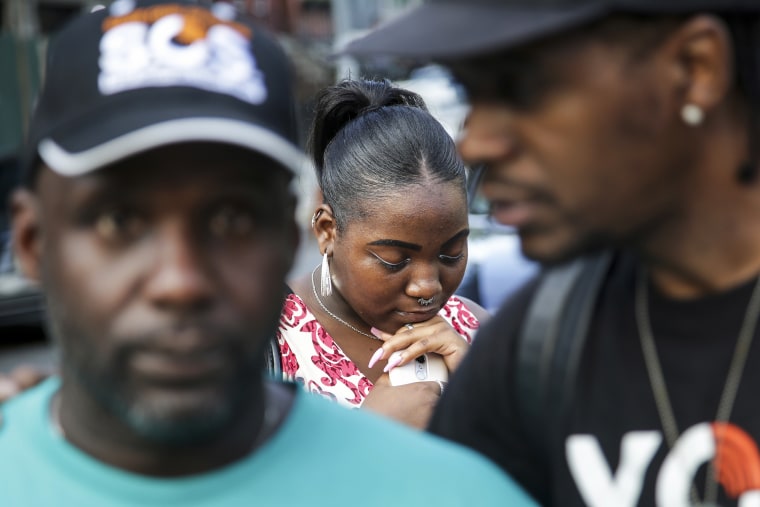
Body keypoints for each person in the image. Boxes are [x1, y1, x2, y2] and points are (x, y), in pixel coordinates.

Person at [0, 1, 539, 505]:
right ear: (32, 243)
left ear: (286, 238)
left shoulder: (470, 488)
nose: (180, 280)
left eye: (231, 220)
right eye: (119, 220)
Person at [345, 0, 760, 506]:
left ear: (696, 68)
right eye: (470, 94)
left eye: (521, 89)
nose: (475, 143)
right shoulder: (529, 352)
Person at [278, 78, 488, 429]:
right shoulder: (262, 348)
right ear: (328, 231)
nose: (426, 287)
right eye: (395, 259)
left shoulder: (478, 333)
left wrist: (478, 394)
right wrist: (371, 439)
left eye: (451, 253)